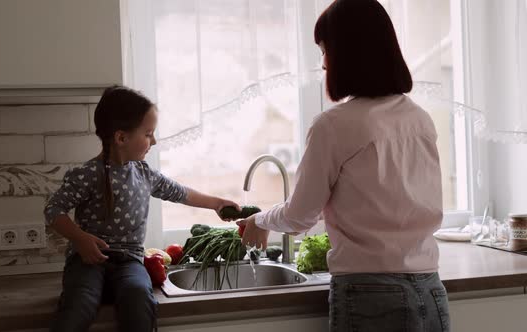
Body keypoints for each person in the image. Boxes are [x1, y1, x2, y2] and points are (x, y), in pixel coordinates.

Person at [237, 1, 450, 331]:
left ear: (348, 54)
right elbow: (377, 199)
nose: (323, 64)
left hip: (370, 293)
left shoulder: (334, 126)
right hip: (431, 289)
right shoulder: (419, 119)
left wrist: (260, 220)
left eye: (325, 50)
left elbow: (299, 216)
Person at [44, 85, 239, 332]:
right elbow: (53, 209)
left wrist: (216, 203)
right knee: (79, 303)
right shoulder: (87, 174)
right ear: (121, 138)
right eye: (148, 134)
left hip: (129, 262)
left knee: (139, 298)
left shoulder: (144, 174)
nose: (154, 141)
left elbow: (180, 192)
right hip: (86, 262)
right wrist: (80, 239)